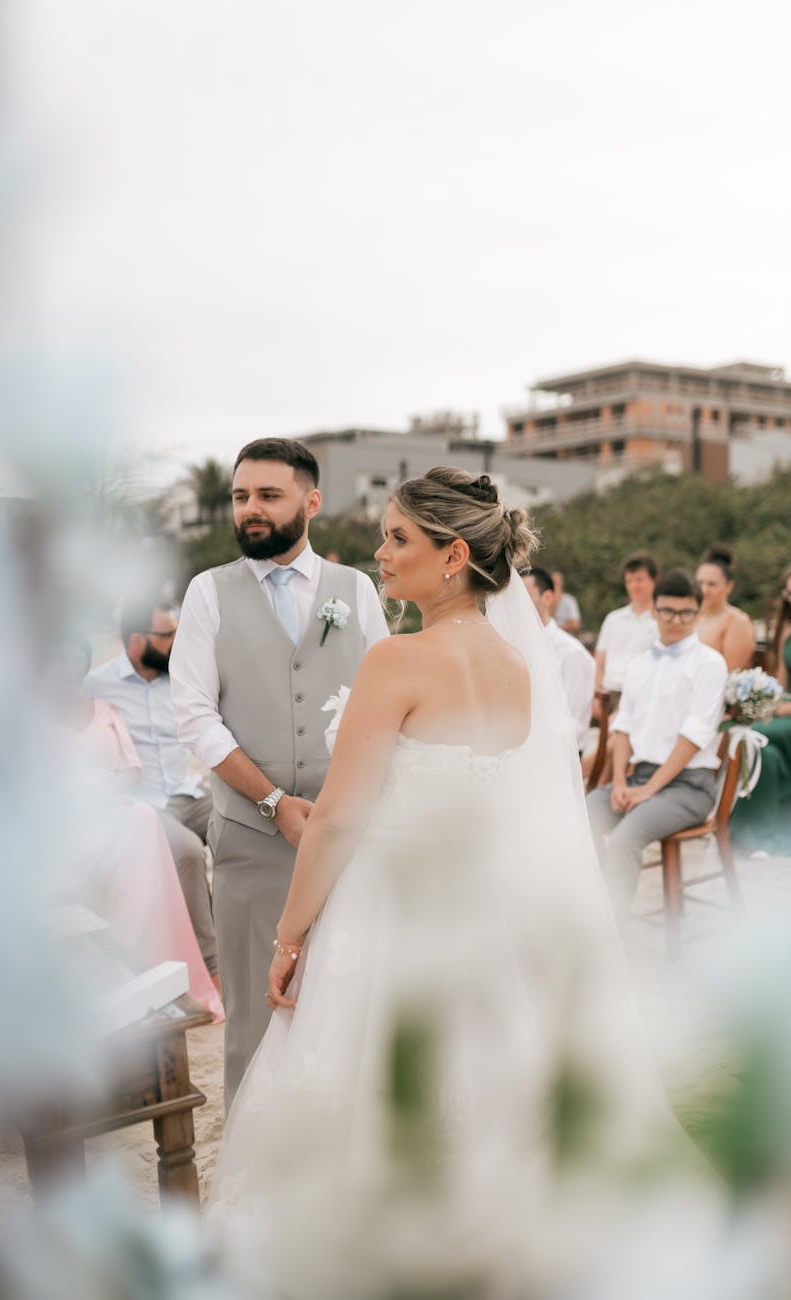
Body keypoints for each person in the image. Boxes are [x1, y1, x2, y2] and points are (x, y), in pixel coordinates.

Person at [211, 470, 682, 1295]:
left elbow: (335, 821)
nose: (380, 555)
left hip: (390, 915)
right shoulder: (515, 666)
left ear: (454, 556)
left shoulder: (398, 660)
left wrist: (289, 938)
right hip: (491, 920)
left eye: (398, 539)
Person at [170, 437, 389, 1107]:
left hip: (350, 844)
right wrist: (271, 801)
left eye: (268, 495)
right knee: (256, 1027)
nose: (250, 510)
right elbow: (193, 715)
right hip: (249, 843)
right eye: (240, 497)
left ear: (310, 502)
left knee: (352, 1014)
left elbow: (381, 707)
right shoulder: (207, 593)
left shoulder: (355, 590)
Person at [45, 635, 224, 1018]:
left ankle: (147, 955)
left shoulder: (107, 710)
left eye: (77, 657)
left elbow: (131, 770)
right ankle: (107, 973)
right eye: (61, 657)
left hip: (113, 812)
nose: (69, 665)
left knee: (142, 819)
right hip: (63, 824)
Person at [84, 598, 219, 986]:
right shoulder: (97, 685)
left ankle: (243, 936)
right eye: (168, 635)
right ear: (138, 641)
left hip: (188, 792)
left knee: (241, 828)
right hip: (143, 802)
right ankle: (212, 968)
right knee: (190, 852)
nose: (177, 641)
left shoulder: (182, 676)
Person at [586, 570, 726, 922]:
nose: (675, 620)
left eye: (685, 613)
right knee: (579, 819)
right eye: (667, 611)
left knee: (624, 839)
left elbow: (695, 737)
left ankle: (610, 931)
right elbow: (623, 729)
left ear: (697, 613)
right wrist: (619, 782)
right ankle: (590, 913)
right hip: (636, 779)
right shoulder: (638, 664)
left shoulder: (711, 664)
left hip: (689, 786)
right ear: (653, 611)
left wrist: (649, 789)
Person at [730, 563, 791, 856]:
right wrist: (771, 702)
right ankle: (751, 834)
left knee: (756, 735)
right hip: (787, 709)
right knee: (760, 746)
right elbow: (781, 681)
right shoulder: (786, 631)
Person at [522, 565, 594, 752]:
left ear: (547, 598)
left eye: (524, 597)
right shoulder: (511, 644)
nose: (517, 606)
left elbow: (573, 725)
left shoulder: (572, 653)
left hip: (558, 754)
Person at [593, 551, 658, 711]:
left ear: (654, 580)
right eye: (629, 581)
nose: (634, 586)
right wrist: (596, 694)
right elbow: (600, 660)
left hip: (644, 697)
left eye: (640, 580)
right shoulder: (613, 619)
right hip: (610, 694)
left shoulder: (661, 621)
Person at [695, 543, 756, 670]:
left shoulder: (737, 622)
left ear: (729, 586)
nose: (704, 589)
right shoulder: (691, 616)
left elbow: (732, 673)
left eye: (712, 584)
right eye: (700, 583)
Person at [550, 568, 581, 634]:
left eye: (556, 583)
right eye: (553, 583)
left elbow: (575, 624)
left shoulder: (569, 600)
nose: (554, 586)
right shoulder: (545, 600)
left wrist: (556, 630)